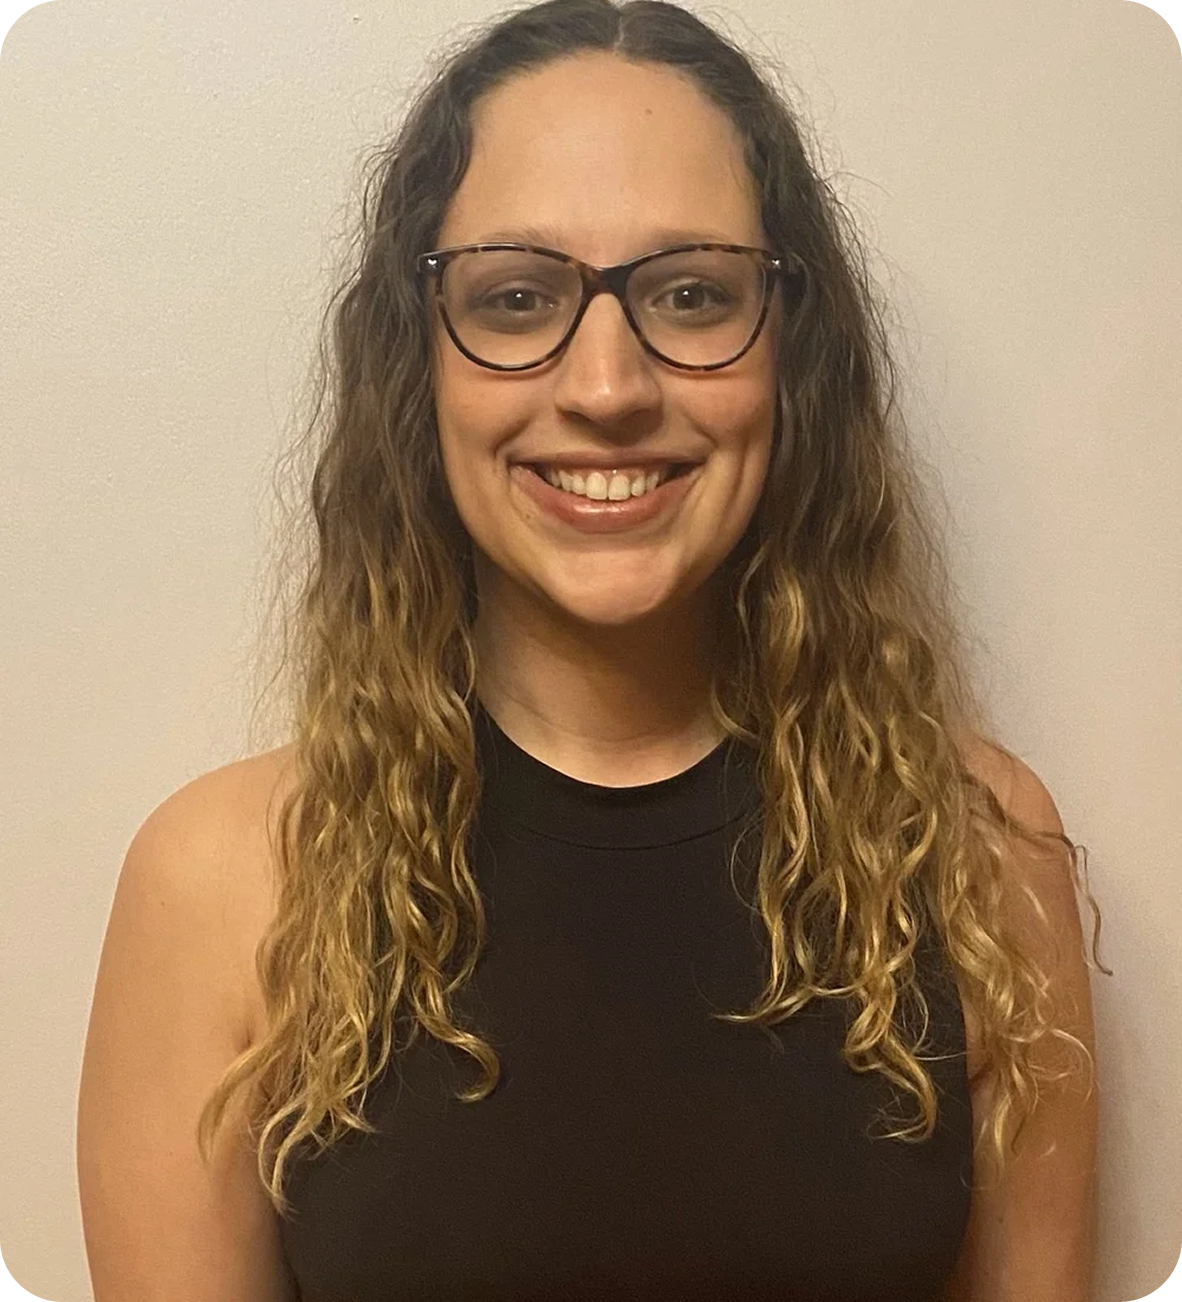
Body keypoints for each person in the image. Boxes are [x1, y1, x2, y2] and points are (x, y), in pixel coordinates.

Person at [77, 1, 1107, 1299]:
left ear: (791, 349)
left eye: (691, 294)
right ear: (418, 363)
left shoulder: (975, 850)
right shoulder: (226, 880)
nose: (607, 387)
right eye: (516, 298)